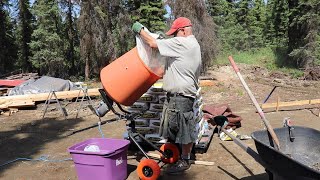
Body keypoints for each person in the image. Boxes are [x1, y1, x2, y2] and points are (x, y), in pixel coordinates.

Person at [132, 17, 202, 173]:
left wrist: (139, 29)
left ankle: (185, 160)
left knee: (184, 128)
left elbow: (152, 43)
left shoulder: (183, 43)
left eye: (174, 34)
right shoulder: (192, 44)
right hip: (181, 95)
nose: (173, 37)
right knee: (175, 126)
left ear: (183, 30)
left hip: (181, 96)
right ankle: (178, 154)